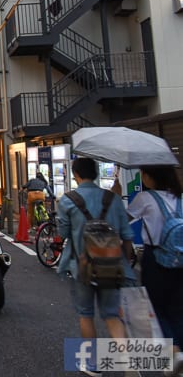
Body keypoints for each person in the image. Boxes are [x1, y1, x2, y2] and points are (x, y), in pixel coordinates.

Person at [57, 157, 135, 374]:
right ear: (97, 173)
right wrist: (124, 264)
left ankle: (92, 364)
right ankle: (129, 361)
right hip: (112, 264)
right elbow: (127, 236)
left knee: (86, 313)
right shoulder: (113, 199)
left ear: (76, 175)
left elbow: (62, 234)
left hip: (81, 266)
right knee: (112, 314)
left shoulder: (68, 200)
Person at [126, 165, 183, 371]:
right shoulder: (179, 198)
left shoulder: (145, 198)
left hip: (155, 258)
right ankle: (180, 352)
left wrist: (115, 196)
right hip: (180, 259)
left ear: (150, 177)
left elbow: (126, 220)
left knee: (156, 308)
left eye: (143, 173)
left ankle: (174, 351)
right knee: (177, 310)